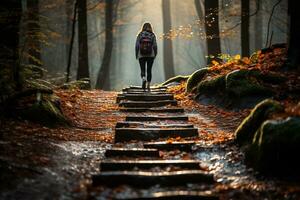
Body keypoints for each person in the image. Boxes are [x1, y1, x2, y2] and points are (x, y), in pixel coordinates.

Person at [135, 22, 157, 91]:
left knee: (142, 69)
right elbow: (155, 45)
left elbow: (137, 45)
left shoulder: (140, 35)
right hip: (151, 55)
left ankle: (143, 78)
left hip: (141, 55)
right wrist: (155, 54)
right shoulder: (152, 35)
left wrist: (136, 54)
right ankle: (148, 85)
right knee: (149, 70)